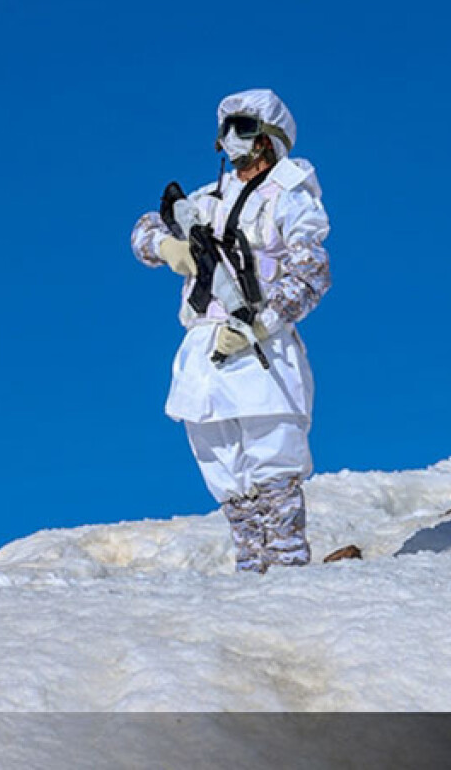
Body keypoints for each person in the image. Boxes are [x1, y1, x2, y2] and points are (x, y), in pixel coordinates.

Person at [131, 89, 331, 572]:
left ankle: (286, 566)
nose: (232, 139)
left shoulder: (291, 199)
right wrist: (166, 245)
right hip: (203, 346)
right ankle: (250, 567)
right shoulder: (206, 198)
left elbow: (311, 272)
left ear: (269, 139)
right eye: (226, 130)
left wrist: (263, 321)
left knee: (272, 459)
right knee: (220, 460)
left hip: (260, 343)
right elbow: (140, 231)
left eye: (243, 128)